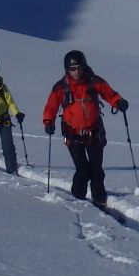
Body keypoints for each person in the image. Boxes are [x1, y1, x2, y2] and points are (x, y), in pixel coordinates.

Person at [41, 49, 126, 206]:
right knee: (82, 169)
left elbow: (109, 94)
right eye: (72, 69)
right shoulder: (60, 87)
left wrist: (119, 102)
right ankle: (78, 199)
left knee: (96, 169)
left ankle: (100, 200)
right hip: (72, 134)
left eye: (79, 67)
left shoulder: (94, 81)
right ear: (67, 69)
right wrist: (48, 122)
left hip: (95, 132)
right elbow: (51, 106)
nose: (76, 71)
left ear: (84, 66)